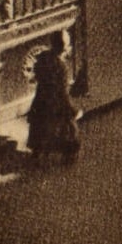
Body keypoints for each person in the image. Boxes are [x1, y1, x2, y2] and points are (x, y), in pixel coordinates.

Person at [25, 30, 81, 164]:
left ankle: (37, 153)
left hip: (41, 102)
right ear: (65, 49)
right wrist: (73, 110)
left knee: (39, 128)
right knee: (68, 130)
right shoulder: (62, 68)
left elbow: (37, 75)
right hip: (56, 105)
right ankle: (69, 154)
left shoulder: (43, 58)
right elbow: (62, 93)